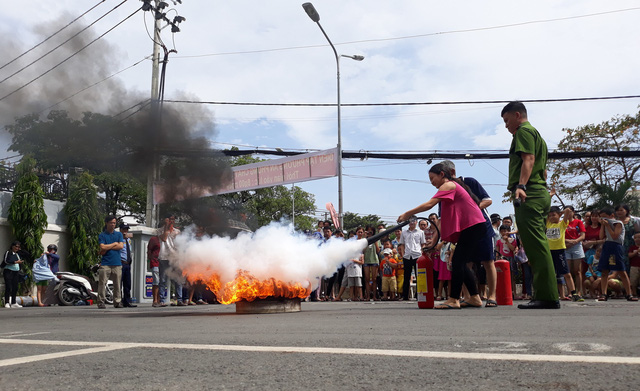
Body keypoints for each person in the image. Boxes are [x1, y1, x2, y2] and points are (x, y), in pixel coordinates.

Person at [398, 163, 490, 309]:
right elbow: (442, 220)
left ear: (442, 174)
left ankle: (454, 299)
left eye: (432, 178)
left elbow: (429, 205)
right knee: (460, 261)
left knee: (458, 261)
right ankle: (474, 297)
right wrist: (435, 242)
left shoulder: (448, 185)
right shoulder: (451, 187)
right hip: (474, 226)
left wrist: (407, 214)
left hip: (474, 226)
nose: (432, 182)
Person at [502, 101, 559, 309]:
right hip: (540, 192)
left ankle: (547, 296)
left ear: (518, 115)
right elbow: (542, 169)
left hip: (530, 195)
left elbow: (529, 159)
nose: (506, 126)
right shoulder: (538, 136)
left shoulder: (523, 132)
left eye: (507, 121)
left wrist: (521, 186)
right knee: (539, 245)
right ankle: (547, 293)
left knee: (536, 247)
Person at [440, 160, 498, 307]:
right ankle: (468, 296)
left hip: (481, 225)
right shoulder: (444, 189)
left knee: (488, 261)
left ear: (452, 173)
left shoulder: (469, 182)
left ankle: (492, 296)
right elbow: (441, 218)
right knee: (464, 262)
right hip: (463, 229)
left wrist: (471, 209)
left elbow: (488, 200)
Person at [597, 206, 638, 301]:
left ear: (611, 216)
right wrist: (603, 225)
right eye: (602, 218)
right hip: (607, 246)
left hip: (616, 246)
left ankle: (629, 293)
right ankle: (604, 293)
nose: (604, 220)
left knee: (621, 270)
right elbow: (601, 236)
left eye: (605, 217)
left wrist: (607, 225)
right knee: (604, 270)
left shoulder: (618, 223)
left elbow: (615, 236)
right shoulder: (605, 224)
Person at [545, 205, 583, 302]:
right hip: (550, 252)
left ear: (559, 215)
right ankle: (553, 293)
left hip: (560, 251)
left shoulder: (562, 224)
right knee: (552, 274)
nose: (552, 217)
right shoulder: (548, 224)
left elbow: (567, 211)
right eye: (550, 216)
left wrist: (560, 213)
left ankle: (574, 293)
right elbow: (545, 214)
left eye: (554, 215)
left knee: (566, 273)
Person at [98, 215, 124, 309]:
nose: (113, 225)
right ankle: (101, 301)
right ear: (107, 223)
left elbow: (120, 246)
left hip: (117, 263)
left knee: (117, 284)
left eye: (114, 223)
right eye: (111, 223)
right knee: (102, 283)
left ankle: (117, 301)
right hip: (105, 263)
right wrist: (114, 244)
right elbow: (102, 247)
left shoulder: (119, 234)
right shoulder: (102, 235)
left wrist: (108, 246)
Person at [159, 215, 185, 306]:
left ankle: (179, 300)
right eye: (169, 219)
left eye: (172, 219)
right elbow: (164, 238)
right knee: (163, 279)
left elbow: (180, 244)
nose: (171, 221)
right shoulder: (160, 230)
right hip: (164, 257)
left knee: (178, 279)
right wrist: (166, 226)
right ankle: (162, 300)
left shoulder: (177, 232)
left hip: (175, 257)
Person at [397, 219, 426, 301]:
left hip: (417, 255)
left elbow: (423, 244)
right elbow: (402, 244)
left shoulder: (420, 232)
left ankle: (419, 295)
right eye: (410, 221)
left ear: (416, 222)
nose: (412, 223)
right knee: (406, 276)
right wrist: (403, 254)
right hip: (407, 255)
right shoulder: (404, 232)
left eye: (413, 221)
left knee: (419, 276)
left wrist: (422, 254)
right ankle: (405, 296)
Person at [563, 206, 586, 296]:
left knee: (578, 271)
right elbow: (560, 236)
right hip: (566, 246)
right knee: (568, 271)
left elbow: (582, 236)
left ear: (573, 212)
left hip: (577, 246)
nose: (568, 214)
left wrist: (575, 241)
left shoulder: (578, 222)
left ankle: (579, 291)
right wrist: (568, 242)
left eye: (569, 212)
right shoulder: (562, 223)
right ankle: (570, 291)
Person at [118, 223, 137, 308]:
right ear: (120, 230)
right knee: (119, 283)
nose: (125, 231)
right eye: (124, 230)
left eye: (126, 230)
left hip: (127, 263)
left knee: (127, 283)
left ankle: (127, 301)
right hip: (121, 262)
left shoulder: (128, 240)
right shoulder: (118, 239)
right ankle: (119, 301)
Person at [3, 241, 25, 308]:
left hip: (16, 272)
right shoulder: (8, 252)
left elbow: (26, 254)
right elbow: (6, 261)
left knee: (15, 287)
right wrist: (15, 262)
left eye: (18, 247)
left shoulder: (17, 254)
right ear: (12, 246)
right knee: (8, 287)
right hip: (9, 271)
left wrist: (21, 250)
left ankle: (13, 302)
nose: (17, 248)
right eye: (16, 246)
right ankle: (7, 302)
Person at [147, 231, 163, 307]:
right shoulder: (154, 239)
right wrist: (151, 259)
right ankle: (155, 300)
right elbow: (149, 250)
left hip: (163, 262)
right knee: (156, 281)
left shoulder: (166, 239)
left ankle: (161, 300)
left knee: (162, 281)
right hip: (155, 262)